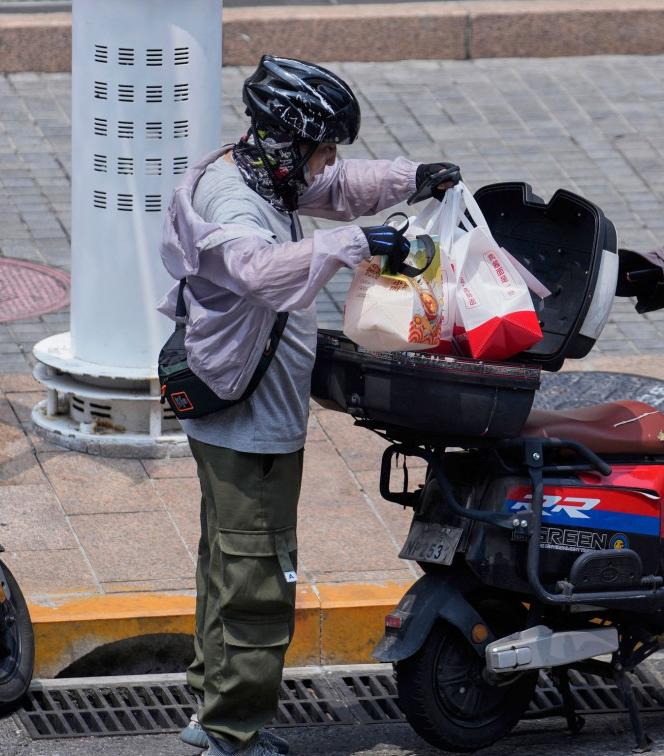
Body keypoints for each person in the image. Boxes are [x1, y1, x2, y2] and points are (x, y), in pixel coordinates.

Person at [157, 55, 459, 756]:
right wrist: (353, 242)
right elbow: (259, 272)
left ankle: (213, 707)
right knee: (258, 575)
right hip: (248, 421)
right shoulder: (237, 203)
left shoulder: (259, 169)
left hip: (232, 407)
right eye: (321, 150)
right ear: (288, 143)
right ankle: (234, 732)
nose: (326, 167)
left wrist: (411, 180)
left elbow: (336, 189)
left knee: (226, 562)